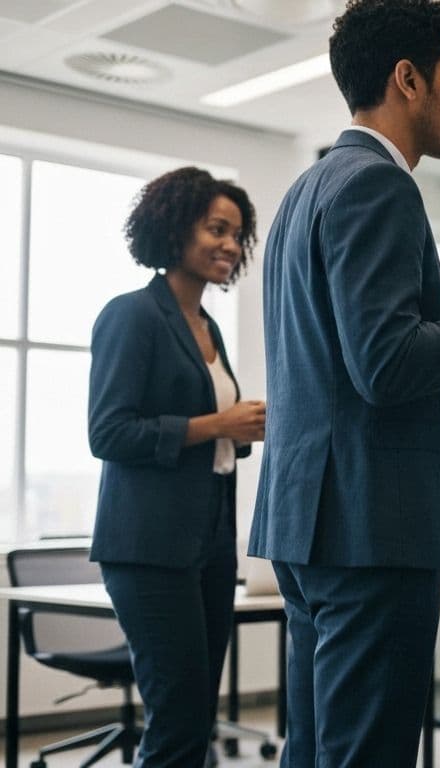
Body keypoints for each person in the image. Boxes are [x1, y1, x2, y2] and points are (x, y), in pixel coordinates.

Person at [248, 1, 440, 765]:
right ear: (408, 80)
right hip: (370, 527)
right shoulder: (376, 185)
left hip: (311, 522)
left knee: (320, 748)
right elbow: (385, 364)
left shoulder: (306, 190)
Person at [89, 166, 265, 767]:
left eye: (237, 235)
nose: (229, 245)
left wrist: (245, 428)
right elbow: (109, 432)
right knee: (179, 716)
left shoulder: (205, 325)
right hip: (148, 548)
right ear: (174, 228)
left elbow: (212, 435)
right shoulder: (131, 315)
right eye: (216, 229)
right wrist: (219, 425)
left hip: (210, 541)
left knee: (195, 718)